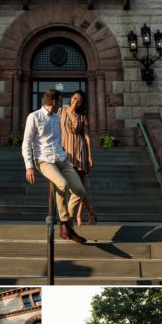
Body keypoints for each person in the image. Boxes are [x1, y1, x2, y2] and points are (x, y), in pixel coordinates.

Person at [22, 88, 88, 244]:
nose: (62, 104)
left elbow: (58, 140)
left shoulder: (57, 118)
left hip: (61, 158)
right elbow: (26, 143)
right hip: (44, 160)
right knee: (62, 184)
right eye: (60, 101)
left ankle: (66, 226)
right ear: (54, 102)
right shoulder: (34, 117)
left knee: (79, 191)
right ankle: (65, 224)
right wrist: (29, 166)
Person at [60, 90, 97, 225]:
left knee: (81, 186)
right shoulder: (60, 112)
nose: (76, 101)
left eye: (80, 100)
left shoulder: (82, 117)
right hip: (65, 151)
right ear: (71, 98)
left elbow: (86, 137)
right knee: (74, 186)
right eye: (75, 98)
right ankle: (91, 211)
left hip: (80, 151)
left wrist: (90, 156)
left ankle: (79, 216)